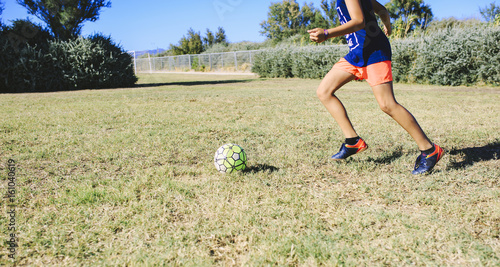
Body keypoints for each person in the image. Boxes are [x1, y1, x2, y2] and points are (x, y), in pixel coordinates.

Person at [307, 0, 443, 174]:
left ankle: (430, 150)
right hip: (358, 53)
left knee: (387, 104)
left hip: (374, 52)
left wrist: (326, 34)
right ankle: (353, 141)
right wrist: (387, 25)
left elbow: (359, 21)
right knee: (324, 92)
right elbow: (383, 10)